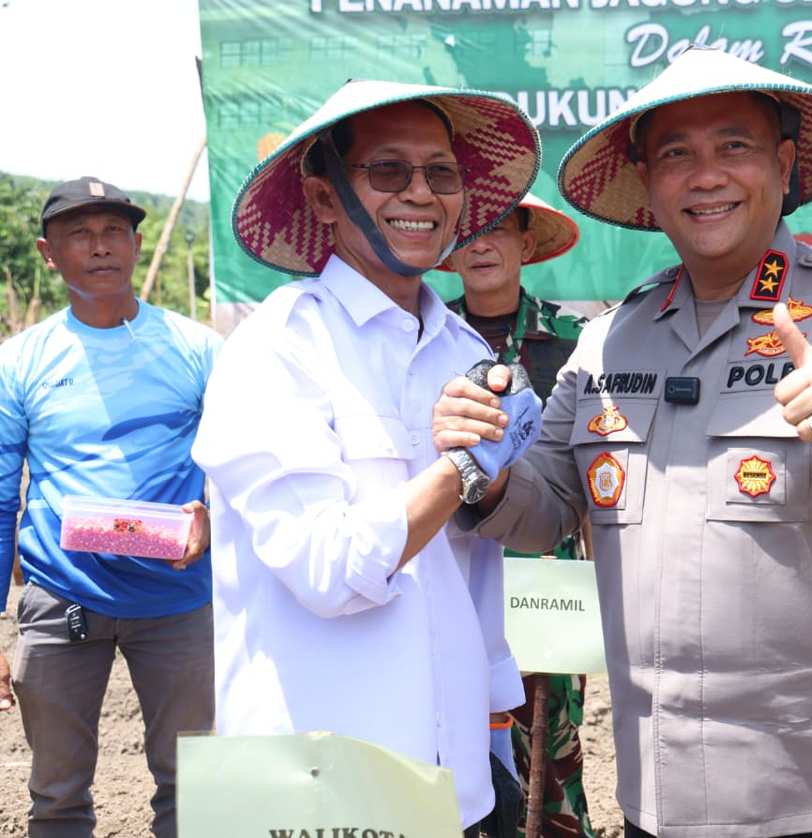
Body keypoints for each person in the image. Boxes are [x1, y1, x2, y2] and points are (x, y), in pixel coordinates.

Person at [433, 47, 812, 837]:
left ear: (784, 164)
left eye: (733, 146)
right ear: (648, 183)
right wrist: (489, 469)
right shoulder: (609, 341)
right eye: (676, 155)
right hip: (665, 800)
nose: (705, 176)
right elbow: (544, 509)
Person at [190, 80, 543, 836]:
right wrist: (463, 468)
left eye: (440, 173)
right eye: (387, 170)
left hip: (451, 780)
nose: (420, 193)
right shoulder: (278, 347)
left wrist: (492, 732)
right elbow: (326, 569)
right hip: (319, 788)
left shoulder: (463, 350)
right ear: (324, 199)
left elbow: (474, 575)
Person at [0, 177, 219, 838]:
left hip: (178, 600)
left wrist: (213, 514)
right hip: (61, 598)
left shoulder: (197, 349)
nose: (100, 247)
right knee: (56, 795)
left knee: (194, 790)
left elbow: (242, 464)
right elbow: (1, 492)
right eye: (80, 235)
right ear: (49, 254)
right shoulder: (20, 362)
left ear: (136, 244)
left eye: (114, 232)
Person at [444, 194, 595, 838]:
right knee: (456, 733)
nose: (481, 244)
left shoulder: (575, 341)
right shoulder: (425, 339)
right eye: (467, 232)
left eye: (498, 230)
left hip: (546, 571)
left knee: (550, 746)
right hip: (453, 568)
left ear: (527, 246)